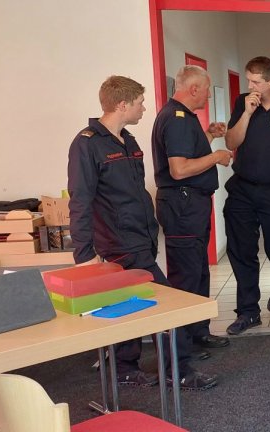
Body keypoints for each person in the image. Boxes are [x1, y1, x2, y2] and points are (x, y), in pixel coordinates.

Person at [68, 75, 217, 390]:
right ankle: (178, 370)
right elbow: (80, 201)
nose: (144, 108)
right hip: (119, 243)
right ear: (122, 105)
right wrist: (84, 255)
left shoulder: (128, 140)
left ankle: (123, 367)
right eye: (139, 103)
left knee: (129, 303)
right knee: (168, 306)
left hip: (142, 237)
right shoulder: (87, 144)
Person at [152, 65, 234, 360]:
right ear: (194, 88)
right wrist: (217, 156)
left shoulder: (184, 117)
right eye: (207, 89)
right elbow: (179, 169)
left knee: (198, 271)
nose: (208, 95)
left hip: (192, 204)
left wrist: (208, 136)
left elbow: (189, 155)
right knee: (186, 277)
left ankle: (198, 332)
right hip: (182, 205)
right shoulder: (176, 119)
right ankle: (181, 347)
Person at [222, 57, 270, 336]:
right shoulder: (242, 103)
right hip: (242, 189)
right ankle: (248, 312)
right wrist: (246, 113)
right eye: (248, 80)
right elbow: (231, 142)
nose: (250, 86)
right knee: (242, 251)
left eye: (256, 81)